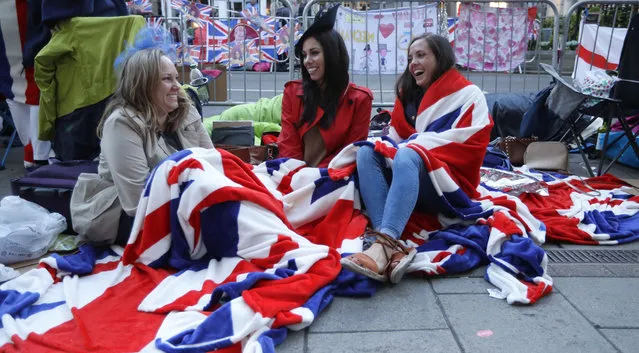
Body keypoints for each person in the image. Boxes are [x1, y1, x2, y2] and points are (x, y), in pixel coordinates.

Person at [341, 33, 492, 284]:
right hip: (411, 177)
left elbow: (469, 143)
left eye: (421, 55)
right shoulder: (407, 95)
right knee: (367, 151)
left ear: (441, 58)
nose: (413, 63)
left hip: (448, 186)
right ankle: (389, 245)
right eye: (410, 58)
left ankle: (382, 245)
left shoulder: (469, 94)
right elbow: (395, 139)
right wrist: (396, 147)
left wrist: (413, 147)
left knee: (409, 154)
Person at [70, 44, 213, 246]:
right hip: (129, 216)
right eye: (167, 79)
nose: (177, 87)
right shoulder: (122, 123)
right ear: (143, 84)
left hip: (185, 201)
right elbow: (137, 202)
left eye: (176, 78)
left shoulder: (185, 108)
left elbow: (213, 163)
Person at [277, 4, 373, 168]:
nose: (307, 61)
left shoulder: (360, 99)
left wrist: (317, 176)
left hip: (334, 178)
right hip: (293, 173)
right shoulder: (292, 92)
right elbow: (288, 146)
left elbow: (349, 153)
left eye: (314, 53)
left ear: (333, 54)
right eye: (304, 55)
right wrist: (299, 175)